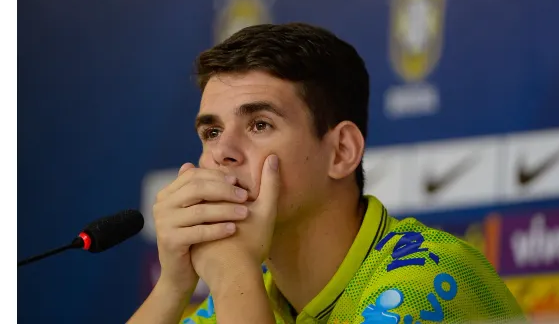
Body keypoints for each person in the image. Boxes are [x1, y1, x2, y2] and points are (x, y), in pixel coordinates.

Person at [127, 23, 526, 324]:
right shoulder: (249, 295)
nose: (221, 154)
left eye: (260, 125)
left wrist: (234, 273)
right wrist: (173, 287)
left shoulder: (426, 283)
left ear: (341, 151)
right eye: (212, 132)